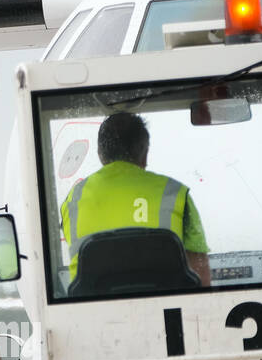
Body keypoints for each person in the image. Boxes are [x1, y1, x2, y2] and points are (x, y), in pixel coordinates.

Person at [61, 112, 210, 286]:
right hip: (166, 307)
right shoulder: (175, 193)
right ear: (144, 154)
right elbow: (201, 275)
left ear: (100, 154)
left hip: (90, 310)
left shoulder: (73, 199)